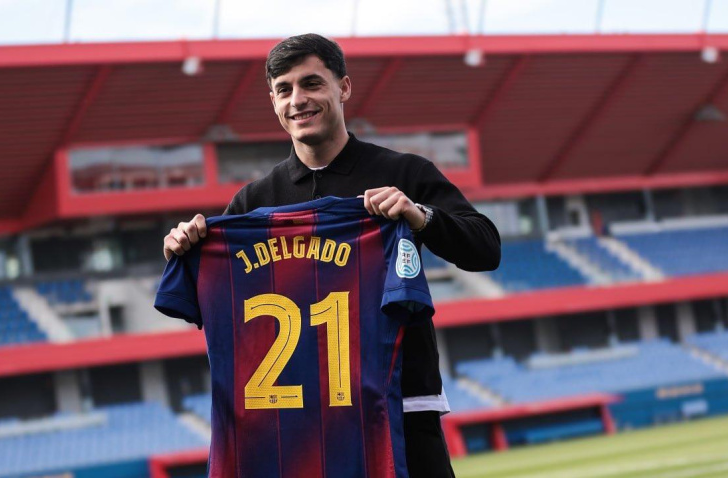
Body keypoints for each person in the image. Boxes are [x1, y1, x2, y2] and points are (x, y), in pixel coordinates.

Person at [163, 33, 501, 478]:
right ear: (273, 101)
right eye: (284, 89)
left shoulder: (403, 173)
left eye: (312, 84)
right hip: (296, 425)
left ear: (343, 87)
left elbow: (486, 248)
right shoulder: (252, 202)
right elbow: (215, 310)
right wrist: (185, 250)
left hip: (399, 408)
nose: (297, 100)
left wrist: (420, 216)